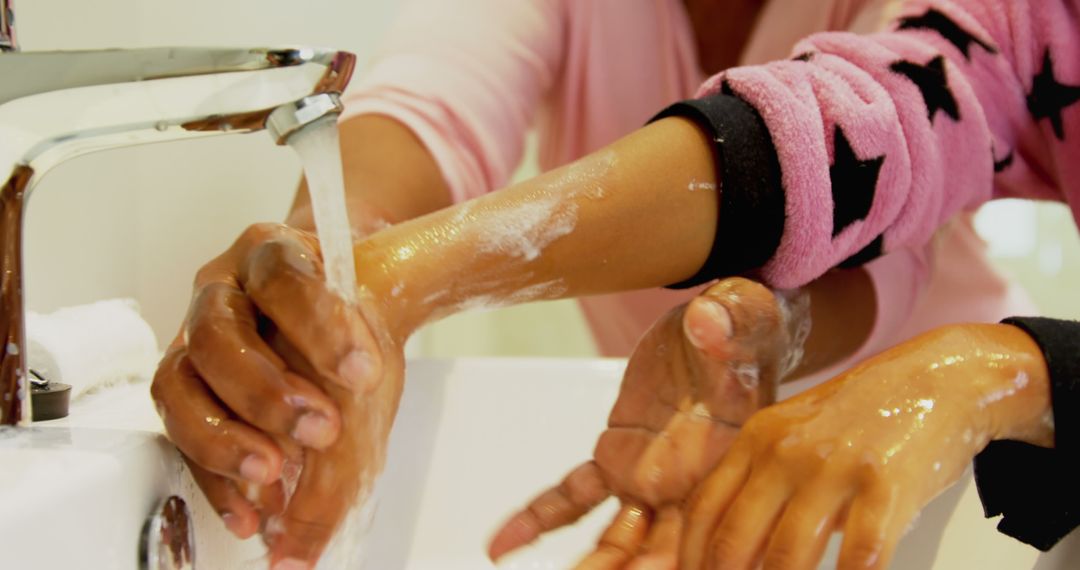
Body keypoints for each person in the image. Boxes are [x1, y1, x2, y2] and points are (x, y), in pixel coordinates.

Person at [151, 0, 1037, 567]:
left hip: (945, 470)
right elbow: (429, 104)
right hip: (681, 443)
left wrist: (398, 280)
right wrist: (325, 294)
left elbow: (885, 189)